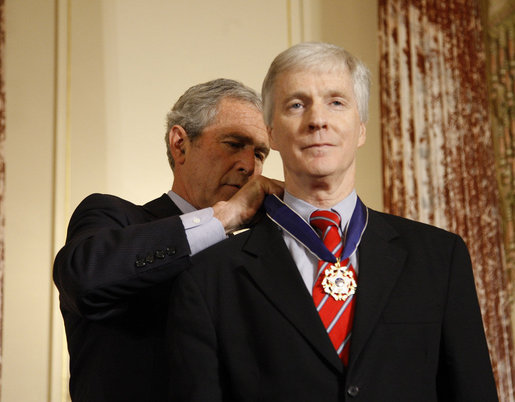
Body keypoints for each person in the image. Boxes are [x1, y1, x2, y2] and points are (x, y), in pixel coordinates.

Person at [166, 43, 498, 401]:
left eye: (336, 102)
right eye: (296, 104)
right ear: (272, 132)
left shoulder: (438, 257)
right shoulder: (209, 276)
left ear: (360, 128)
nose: (317, 120)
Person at [53, 78, 283, 402]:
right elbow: (85, 277)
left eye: (260, 153)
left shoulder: (255, 252)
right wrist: (225, 217)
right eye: (233, 143)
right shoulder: (112, 216)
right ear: (180, 145)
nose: (250, 165)